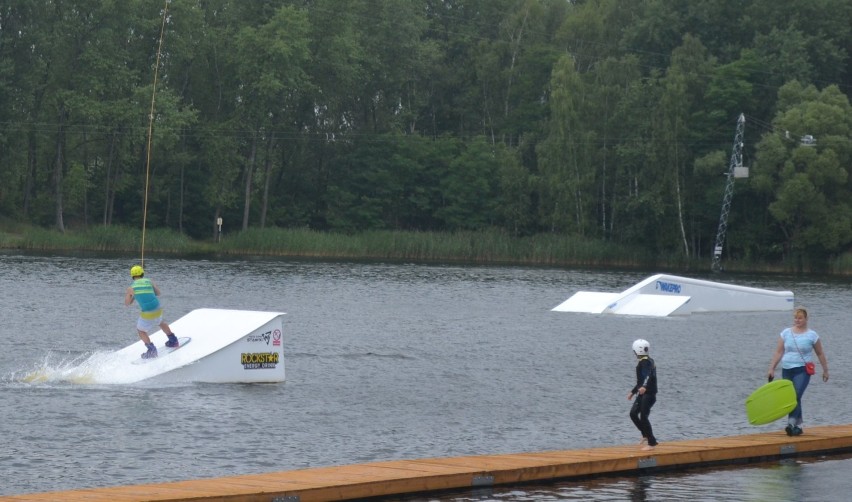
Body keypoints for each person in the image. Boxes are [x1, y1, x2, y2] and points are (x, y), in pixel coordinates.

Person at [767, 307, 829, 436]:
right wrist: (772, 368)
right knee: (791, 397)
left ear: (806, 319)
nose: (797, 320)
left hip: (802, 370)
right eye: (796, 317)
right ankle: (798, 426)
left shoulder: (812, 335)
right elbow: (779, 352)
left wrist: (825, 370)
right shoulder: (786, 333)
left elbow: (820, 353)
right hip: (787, 369)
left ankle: (791, 423)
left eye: (800, 318)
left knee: (795, 395)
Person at [125, 265, 178, 359]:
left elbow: (127, 304)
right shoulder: (149, 281)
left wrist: (130, 294)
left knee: (141, 331)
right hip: (158, 309)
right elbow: (158, 293)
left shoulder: (131, 288)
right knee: (161, 322)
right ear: (142, 273)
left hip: (147, 313)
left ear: (132, 276)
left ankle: (151, 350)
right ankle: (173, 340)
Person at [627, 338, 658, 451]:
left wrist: (644, 386)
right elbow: (641, 381)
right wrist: (633, 391)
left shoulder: (648, 362)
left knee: (644, 417)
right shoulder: (644, 361)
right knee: (633, 413)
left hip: (649, 394)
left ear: (637, 350)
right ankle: (645, 434)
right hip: (642, 393)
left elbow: (649, 376)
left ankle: (652, 443)